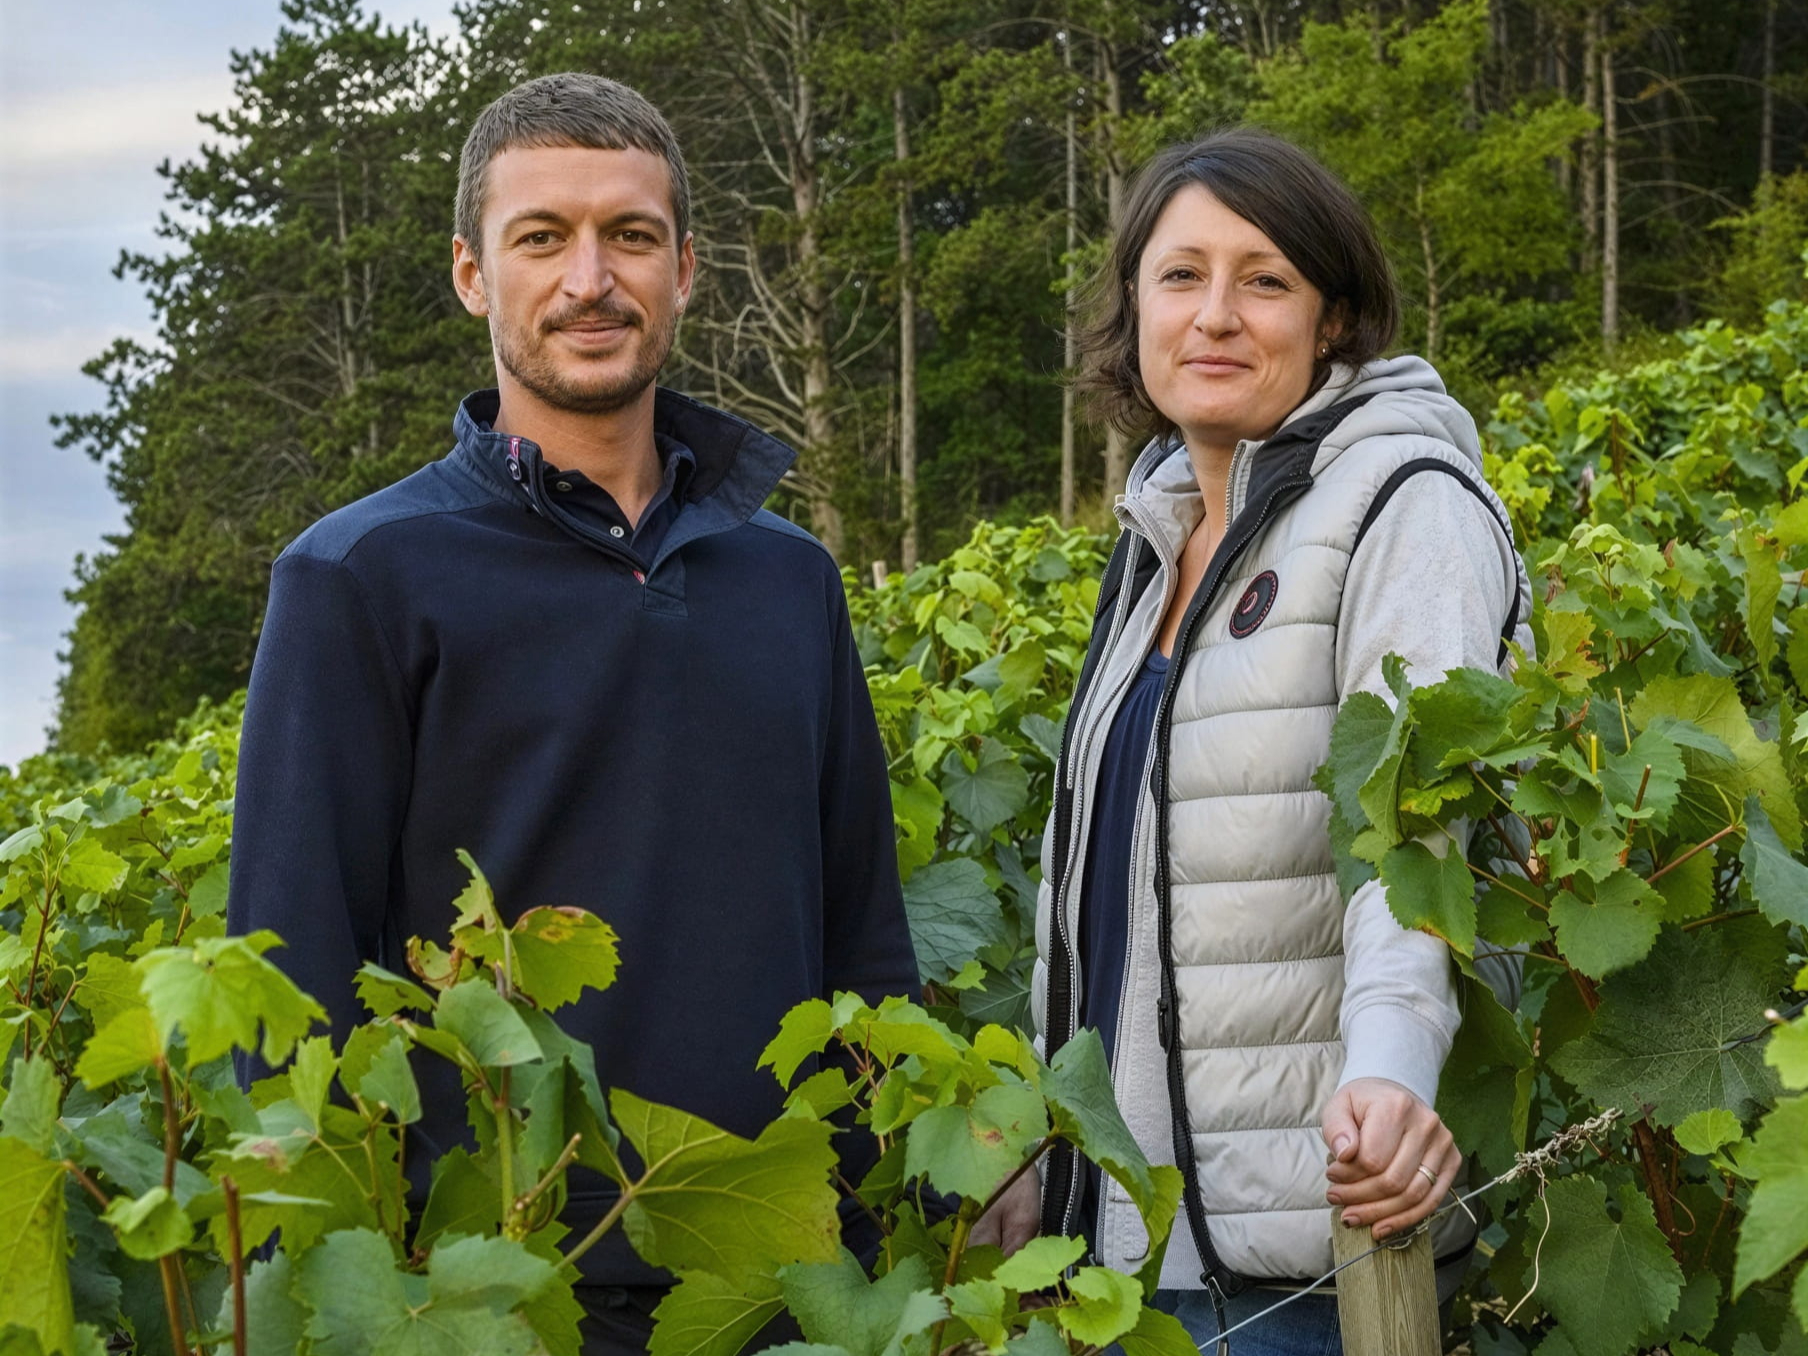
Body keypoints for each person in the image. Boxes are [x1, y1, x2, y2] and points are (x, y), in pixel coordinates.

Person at [225, 72, 918, 1355]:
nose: (588, 278)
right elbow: (291, 972)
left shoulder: (788, 579)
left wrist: (898, 1217)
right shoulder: (357, 577)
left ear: (686, 270)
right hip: (497, 1285)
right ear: (471, 275)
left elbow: (862, 931)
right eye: (541, 237)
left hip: (781, 1280)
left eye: (630, 237)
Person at [974, 129, 1533, 1353]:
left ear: (1332, 318)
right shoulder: (1158, 531)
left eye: (1263, 278)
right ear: (1133, 309)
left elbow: (1415, 829)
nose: (1214, 315)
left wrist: (1390, 1076)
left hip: (1297, 1259)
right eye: (1180, 276)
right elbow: (1104, 891)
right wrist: (1038, 1141)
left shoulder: (1403, 504)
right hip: (1129, 1248)